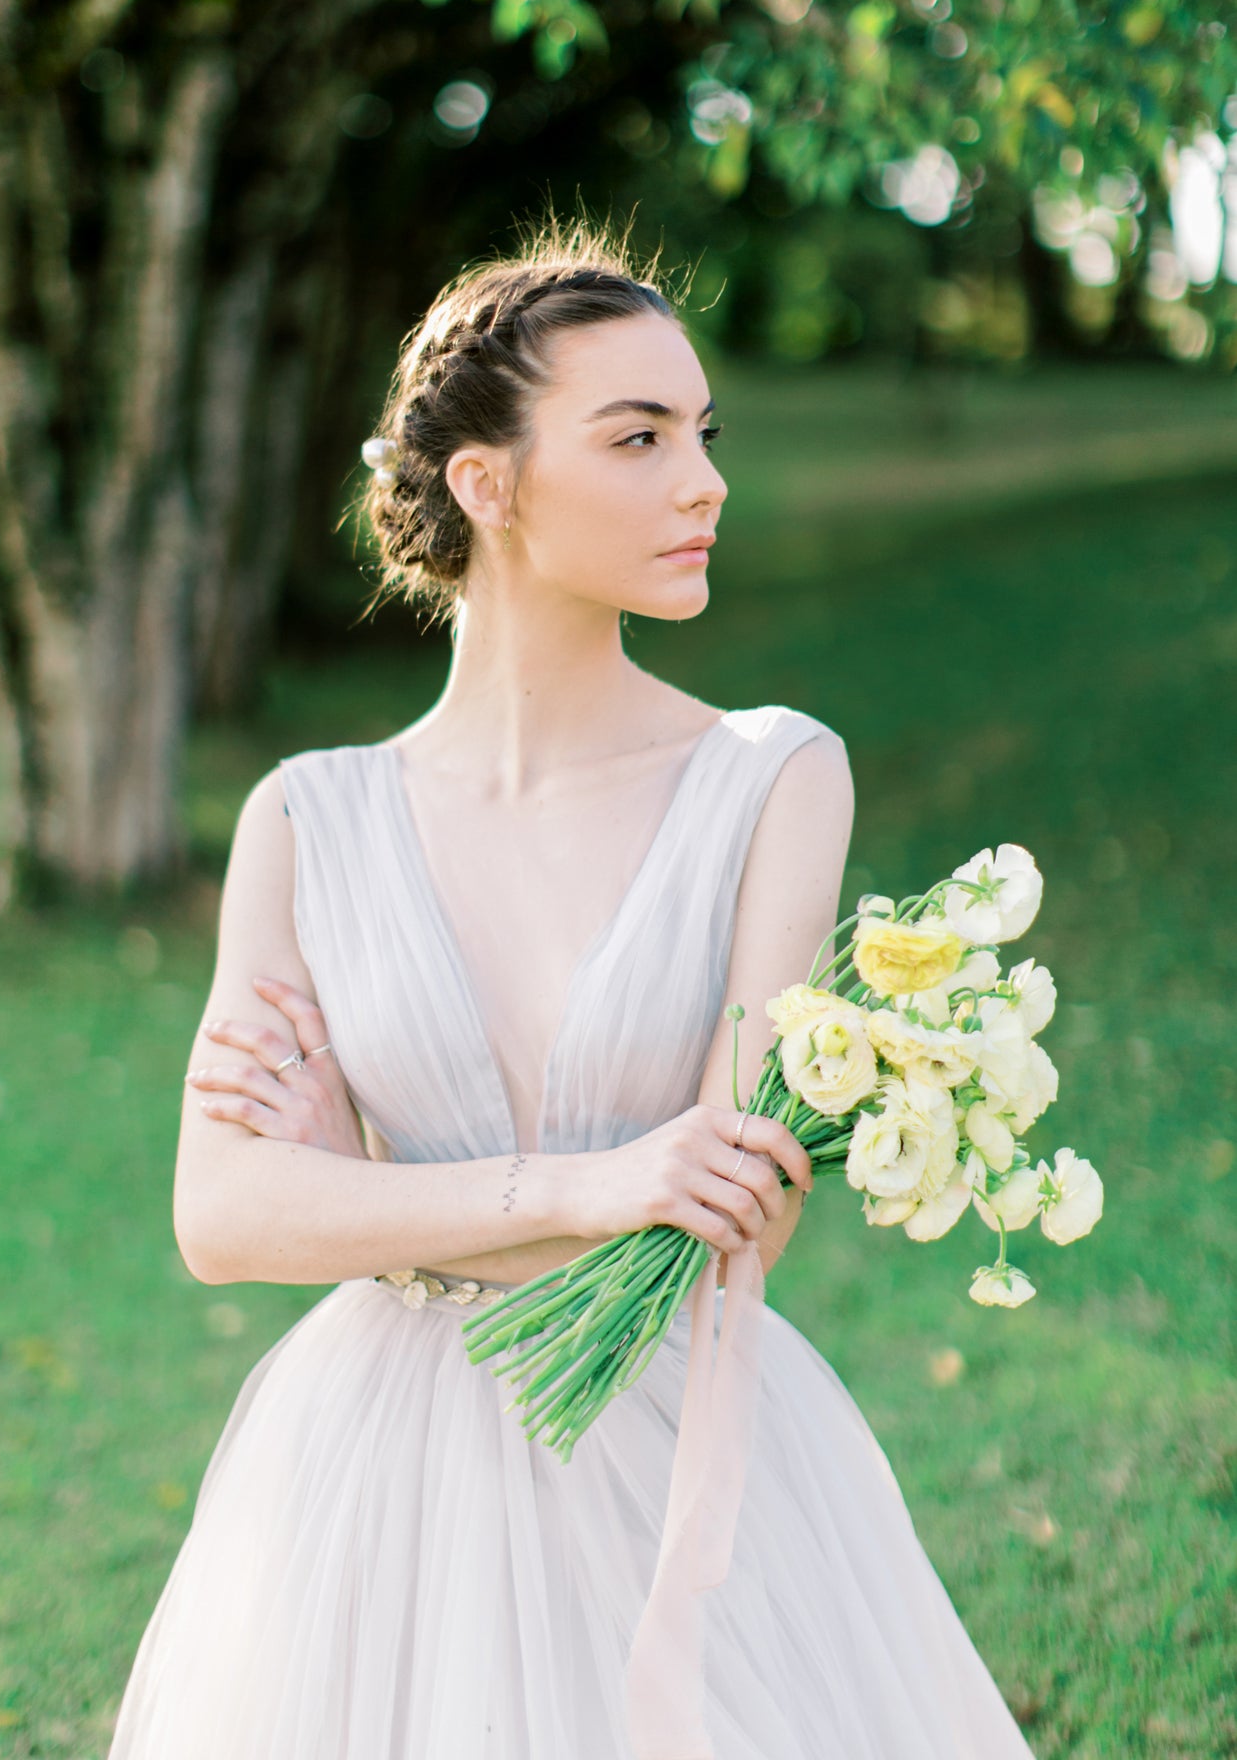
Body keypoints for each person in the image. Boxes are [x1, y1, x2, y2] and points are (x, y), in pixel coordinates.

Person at [106, 216, 1039, 1759]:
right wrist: (599, 1177)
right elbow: (221, 1216)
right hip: (369, 1463)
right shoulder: (306, 820)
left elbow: (732, 1212)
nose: (704, 480)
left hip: (674, 1433)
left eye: (701, 432)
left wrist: (358, 1185)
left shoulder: (771, 777)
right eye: (638, 437)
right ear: (489, 484)